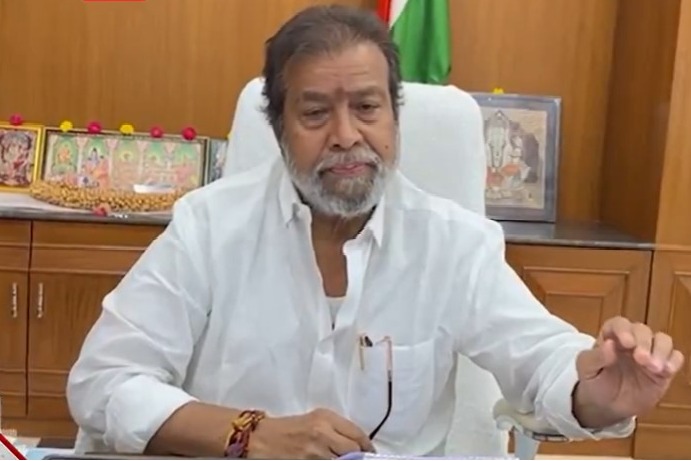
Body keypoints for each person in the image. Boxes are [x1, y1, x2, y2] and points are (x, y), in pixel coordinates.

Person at [66, 4, 684, 459]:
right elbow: (104, 382)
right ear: (278, 128)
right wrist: (248, 433)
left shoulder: (454, 243)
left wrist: (599, 393)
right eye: (315, 113)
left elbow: (542, 359)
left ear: (393, 116)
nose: (346, 136)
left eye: (366, 108)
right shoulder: (208, 226)